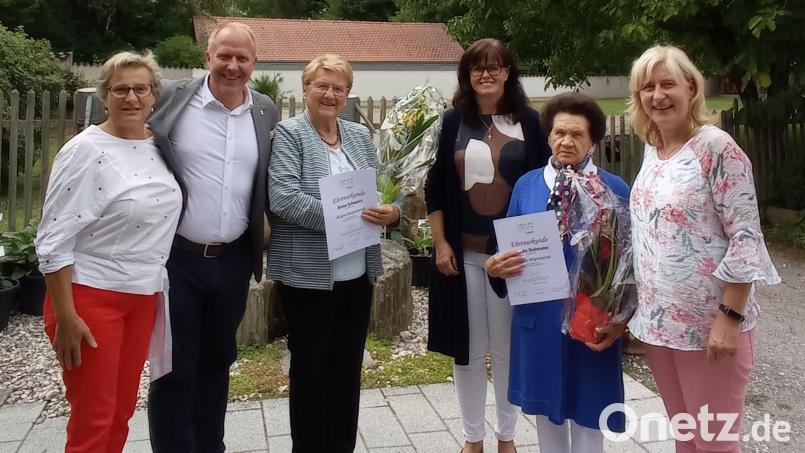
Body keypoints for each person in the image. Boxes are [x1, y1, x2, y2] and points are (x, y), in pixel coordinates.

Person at [627, 45, 780, 453]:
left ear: (692, 88)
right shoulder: (653, 148)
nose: (657, 95)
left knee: (715, 444)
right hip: (660, 329)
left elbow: (746, 238)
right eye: (647, 87)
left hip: (709, 330)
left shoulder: (716, 147)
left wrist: (730, 316)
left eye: (667, 84)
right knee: (687, 440)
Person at [35, 51, 181, 453]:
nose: (131, 98)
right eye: (120, 89)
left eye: (141, 89)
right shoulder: (85, 151)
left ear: (154, 95)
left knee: (120, 412)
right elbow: (53, 239)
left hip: (144, 296)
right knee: (93, 419)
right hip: (91, 297)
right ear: (104, 95)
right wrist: (66, 317)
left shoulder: (159, 145)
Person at [146, 22, 277, 453]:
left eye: (242, 58)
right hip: (176, 259)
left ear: (254, 64)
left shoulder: (264, 110)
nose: (232, 66)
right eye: (224, 56)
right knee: (173, 368)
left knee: (218, 362)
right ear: (208, 57)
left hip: (233, 261)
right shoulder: (171, 99)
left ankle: (209, 446)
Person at [267, 53, 400, 452]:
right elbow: (284, 198)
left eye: (338, 88)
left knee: (347, 369)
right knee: (309, 372)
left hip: (357, 274)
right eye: (321, 85)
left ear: (347, 94)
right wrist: (346, 218)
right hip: (308, 276)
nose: (329, 94)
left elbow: (384, 190)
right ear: (305, 89)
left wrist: (390, 211)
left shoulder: (358, 136)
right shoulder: (289, 134)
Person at [424, 38, 551, 453]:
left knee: (507, 348)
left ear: (508, 72)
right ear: (467, 74)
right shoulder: (451, 122)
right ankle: (473, 437)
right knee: (470, 349)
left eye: (495, 66)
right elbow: (435, 188)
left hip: (514, 258)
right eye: (477, 67)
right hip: (463, 257)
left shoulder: (530, 122)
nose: (486, 74)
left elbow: (546, 186)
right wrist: (441, 244)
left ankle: (507, 436)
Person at [485, 92, 629, 453]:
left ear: (594, 139)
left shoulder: (614, 189)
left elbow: (629, 263)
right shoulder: (527, 185)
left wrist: (621, 319)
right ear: (548, 135)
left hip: (591, 321)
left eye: (577, 134)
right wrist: (495, 266)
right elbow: (506, 245)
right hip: (540, 316)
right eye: (559, 132)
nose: (567, 141)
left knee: (590, 413)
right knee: (547, 415)